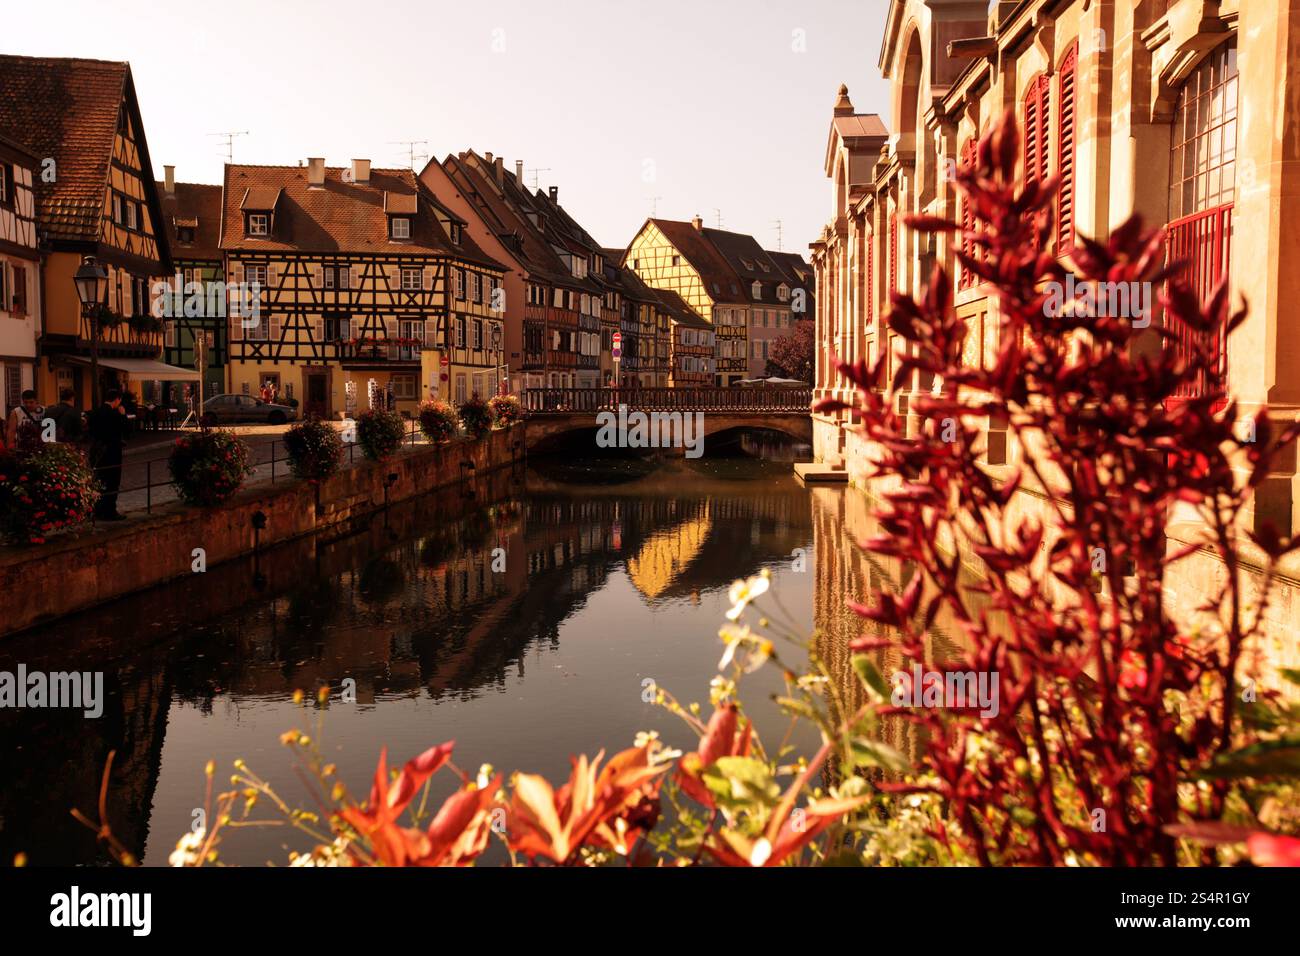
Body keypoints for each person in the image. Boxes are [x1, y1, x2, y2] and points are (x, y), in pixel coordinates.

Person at [87, 388, 129, 521]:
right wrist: (123, 415)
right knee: (112, 481)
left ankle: (98, 509)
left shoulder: (94, 413)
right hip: (112, 451)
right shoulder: (115, 414)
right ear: (117, 400)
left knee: (99, 480)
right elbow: (126, 431)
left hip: (98, 451)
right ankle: (109, 511)